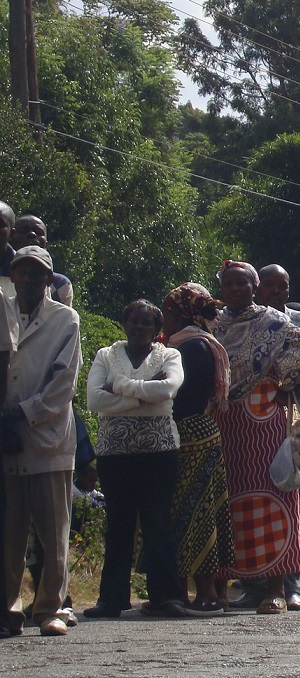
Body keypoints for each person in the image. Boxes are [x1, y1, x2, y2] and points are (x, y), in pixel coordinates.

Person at [212, 260, 300, 615]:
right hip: (224, 425)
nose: (235, 290)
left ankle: (277, 587)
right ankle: (222, 587)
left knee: (274, 499)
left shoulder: (275, 322)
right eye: (229, 284)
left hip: (265, 420)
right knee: (226, 503)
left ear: (254, 287)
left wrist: (290, 393)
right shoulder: (212, 323)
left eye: (242, 284)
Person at [83, 300, 187, 618]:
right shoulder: (106, 355)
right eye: (133, 321)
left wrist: (122, 388)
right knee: (118, 526)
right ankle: (112, 600)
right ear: (125, 323)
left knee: (158, 524)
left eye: (146, 323)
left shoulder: (169, 355)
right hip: (115, 454)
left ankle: (165, 597)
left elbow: (168, 389)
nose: (139, 327)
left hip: (159, 451)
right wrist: (143, 396)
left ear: (157, 331)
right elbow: (94, 399)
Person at [1, 246, 80, 636]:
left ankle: (50, 607)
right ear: (13, 275)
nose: (29, 280)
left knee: (53, 532)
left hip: (46, 434)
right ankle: (7, 608)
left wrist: (21, 415)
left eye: (37, 274)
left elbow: (62, 384)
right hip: (7, 435)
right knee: (9, 530)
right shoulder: (3, 309)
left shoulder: (65, 319)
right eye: (23, 273)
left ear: (49, 279)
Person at [159, 283, 232, 615]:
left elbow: (182, 399)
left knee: (197, 515)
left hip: (190, 435)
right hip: (201, 433)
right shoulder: (201, 344)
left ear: (180, 313)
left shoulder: (190, 348)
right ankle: (200, 592)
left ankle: (206, 593)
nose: (164, 319)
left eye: (168, 312)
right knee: (197, 512)